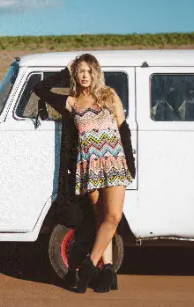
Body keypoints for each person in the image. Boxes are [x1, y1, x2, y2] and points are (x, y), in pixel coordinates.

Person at [33, 53, 135, 294]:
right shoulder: (71, 102)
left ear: (95, 73)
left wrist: (129, 163)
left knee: (112, 217)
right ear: (75, 75)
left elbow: (124, 129)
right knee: (101, 219)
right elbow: (40, 89)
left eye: (89, 71)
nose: (85, 76)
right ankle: (108, 271)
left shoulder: (109, 95)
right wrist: (64, 72)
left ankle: (88, 266)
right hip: (89, 166)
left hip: (114, 163)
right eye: (80, 71)